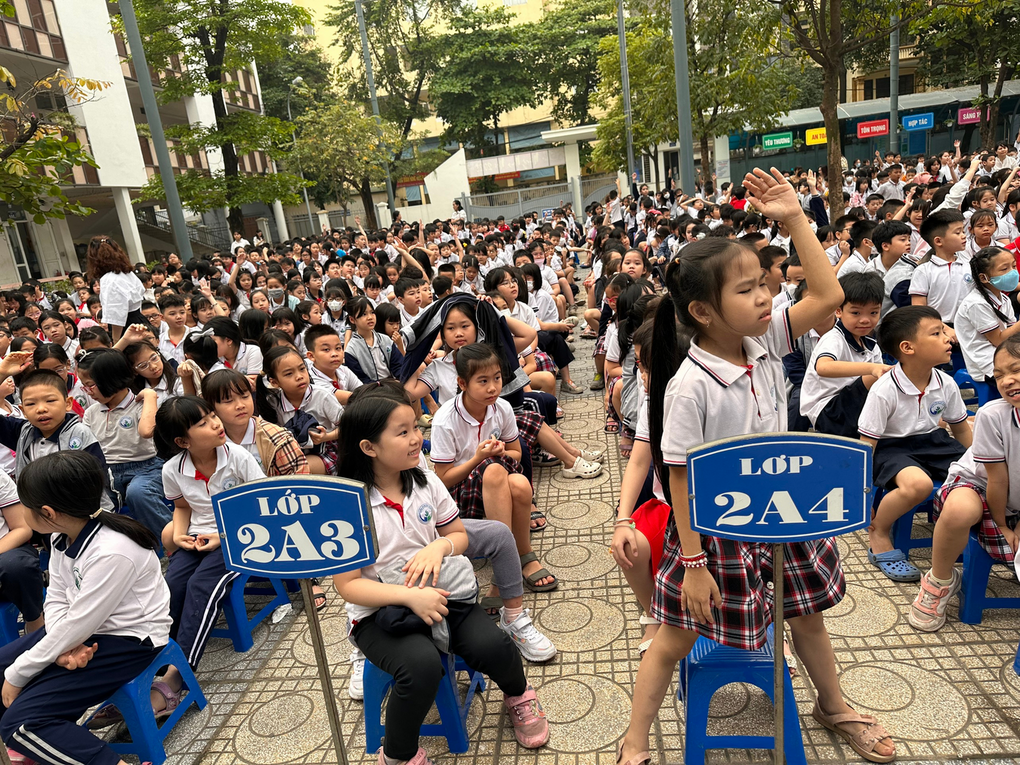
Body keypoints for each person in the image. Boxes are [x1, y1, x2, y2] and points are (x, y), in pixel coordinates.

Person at [617, 167, 896, 765]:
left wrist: (796, 220)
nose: (766, 296)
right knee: (671, 638)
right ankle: (634, 743)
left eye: (763, 284)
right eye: (746, 290)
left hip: (783, 514)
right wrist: (692, 564)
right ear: (704, 311)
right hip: (713, 534)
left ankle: (834, 705)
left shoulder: (767, 342)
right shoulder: (687, 386)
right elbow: (680, 477)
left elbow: (828, 297)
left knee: (808, 620)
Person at [332, 394, 549, 765]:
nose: (417, 437)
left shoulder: (425, 481)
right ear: (368, 447)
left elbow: (460, 535)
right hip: (379, 615)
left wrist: (441, 547)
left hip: (443, 593)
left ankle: (520, 695)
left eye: (415, 427)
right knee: (421, 667)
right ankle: (398, 755)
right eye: (403, 432)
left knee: (493, 645)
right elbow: (347, 585)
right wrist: (408, 596)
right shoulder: (347, 503)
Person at [0, 452, 169, 765]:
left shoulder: (113, 551)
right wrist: (62, 649)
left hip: (130, 640)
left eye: (25, 503)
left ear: (48, 512)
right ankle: (41, 745)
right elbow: (58, 596)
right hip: (89, 628)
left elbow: (80, 620)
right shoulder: (62, 535)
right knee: (4, 670)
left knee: (21, 723)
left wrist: (20, 673)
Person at [154, 396, 264, 707]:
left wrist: (223, 536)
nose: (216, 423)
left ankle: (177, 675)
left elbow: (260, 506)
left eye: (212, 416)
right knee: (172, 585)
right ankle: (161, 655)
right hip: (197, 537)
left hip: (241, 536)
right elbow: (181, 506)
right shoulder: (172, 469)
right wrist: (178, 535)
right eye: (202, 422)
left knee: (201, 586)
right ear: (182, 441)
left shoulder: (238, 457)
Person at [908, 335, 1020, 630]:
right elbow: (996, 479)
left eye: (1016, 370)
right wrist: (1004, 526)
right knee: (959, 511)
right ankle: (939, 580)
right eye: (999, 375)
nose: (1007, 381)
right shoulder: (993, 415)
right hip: (980, 487)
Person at [859, 306, 973, 582]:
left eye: (944, 330)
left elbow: (960, 428)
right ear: (908, 347)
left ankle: (965, 533)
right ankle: (880, 531)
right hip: (891, 447)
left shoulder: (945, 383)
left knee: (975, 477)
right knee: (918, 485)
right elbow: (867, 443)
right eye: (937, 333)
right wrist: (861, 493)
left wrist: (978, 464)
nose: (949, 338)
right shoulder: (884, 389)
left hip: (932, 443)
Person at [77, 349, 169, 539]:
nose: (88, 392)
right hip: (106, 472)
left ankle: (171, 544)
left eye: (91, 385)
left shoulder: (140, 405)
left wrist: (150, 396)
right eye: (84, 387)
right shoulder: (91, 412)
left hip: (146, 467)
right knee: (89, 501)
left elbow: (147, 431)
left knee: (139, 493)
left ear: (111, 379)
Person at [800, 272, 889, 437]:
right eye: (856, 313)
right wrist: (872, 369)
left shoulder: (872, 345)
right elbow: (823, 367)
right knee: (876, 375)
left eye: (873, 313)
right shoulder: (833, 338)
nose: (865, 320)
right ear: (839, 311)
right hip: (827, 411)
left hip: (851, 407)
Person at [255, 345, 342, 474]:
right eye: (289, 374)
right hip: (290, 455)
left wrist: (327, 436)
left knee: (297, 471)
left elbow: (349, 427)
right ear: (274, 382)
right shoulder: (273, 402)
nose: (299, 376)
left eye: (302, 369)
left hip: (326, 451)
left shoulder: (322, 396)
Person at [954, 246, 1019, 391]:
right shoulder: (976, 304)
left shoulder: (1003, 299)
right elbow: (999, 340)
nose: (1013, 272)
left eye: (1014, 266)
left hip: (1008, 354)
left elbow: (1013, 335)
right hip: (988, 364)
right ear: (984, 277)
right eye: (1004, 269)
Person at [86, 237, 147, 342]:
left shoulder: (109, 279)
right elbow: (141, 291)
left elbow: (117, 316)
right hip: (140, 320)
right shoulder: (127, 273)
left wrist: (116, 341)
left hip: (126, 327)